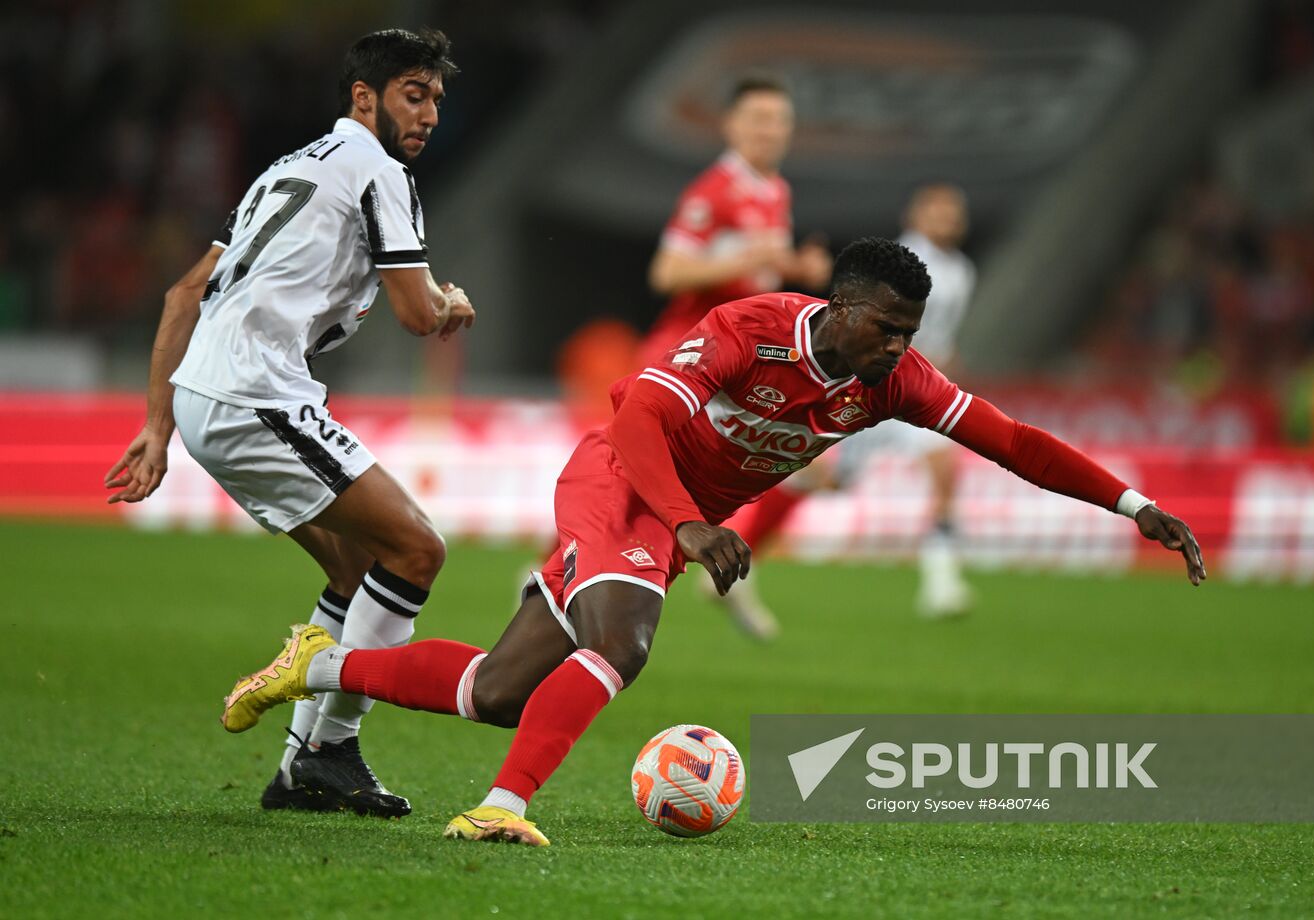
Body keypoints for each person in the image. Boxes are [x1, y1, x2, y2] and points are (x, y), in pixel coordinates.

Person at [220, 238, 1206, 847]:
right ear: (843, 306)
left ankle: (323, 661)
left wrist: (1130, 502)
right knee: (625, 638)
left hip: (675, 516)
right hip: (617, 478)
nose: (900, 349)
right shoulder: (750, 329)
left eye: (910, 333)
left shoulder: (888, 382)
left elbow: (1011, 441)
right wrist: (689, 521)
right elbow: (642, 420)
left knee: (497, 690)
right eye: (888, 328)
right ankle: (499, 804)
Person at [105, 28, 472, 818]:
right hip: (257, 393)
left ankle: (305, 769)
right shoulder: (381, 173)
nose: (431, 113)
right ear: (363, 98)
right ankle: (330, 748)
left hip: (210, 394)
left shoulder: (287, 168)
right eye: (415, 94)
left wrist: (159, 427)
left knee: (355, 571)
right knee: (416, 550)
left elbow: (182, 297)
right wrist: (450, 304)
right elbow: (416, 315)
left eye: (437, 98)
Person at [644, 74, 831, 638]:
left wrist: (797, 270)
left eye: (779, 121)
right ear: (731, 124)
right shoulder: (713, 191)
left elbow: (759, 274)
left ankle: (734, 569)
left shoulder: (774, 190)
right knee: (638, 469)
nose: (769, 131)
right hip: (695, 352)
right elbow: (668, 272)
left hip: (750, 356)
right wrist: (748, 258)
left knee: (811, 464)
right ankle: (555, 569)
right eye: (757, 119)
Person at [844, 184, 979, 615]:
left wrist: (947, 372)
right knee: (827, 478)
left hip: (915, 390)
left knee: (945, 471)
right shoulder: (900, 261)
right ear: (915, 215)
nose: (947, 218)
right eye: (937, 210)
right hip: (876, 383)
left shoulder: (961, 271)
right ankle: (747, 534)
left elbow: (944, 338)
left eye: (953, 211)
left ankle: (941, 584)